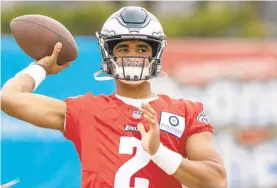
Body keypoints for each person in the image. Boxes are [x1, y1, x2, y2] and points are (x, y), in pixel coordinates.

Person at [1, 6, 227, 188]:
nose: (132, 56)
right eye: (123, 48)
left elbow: (216, 181)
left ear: (156, 53)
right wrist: (41, 68)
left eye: (141, 49)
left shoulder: (187, 111)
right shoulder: (87, 110)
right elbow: (9, 98)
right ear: (108, 53)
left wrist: (159, 152)